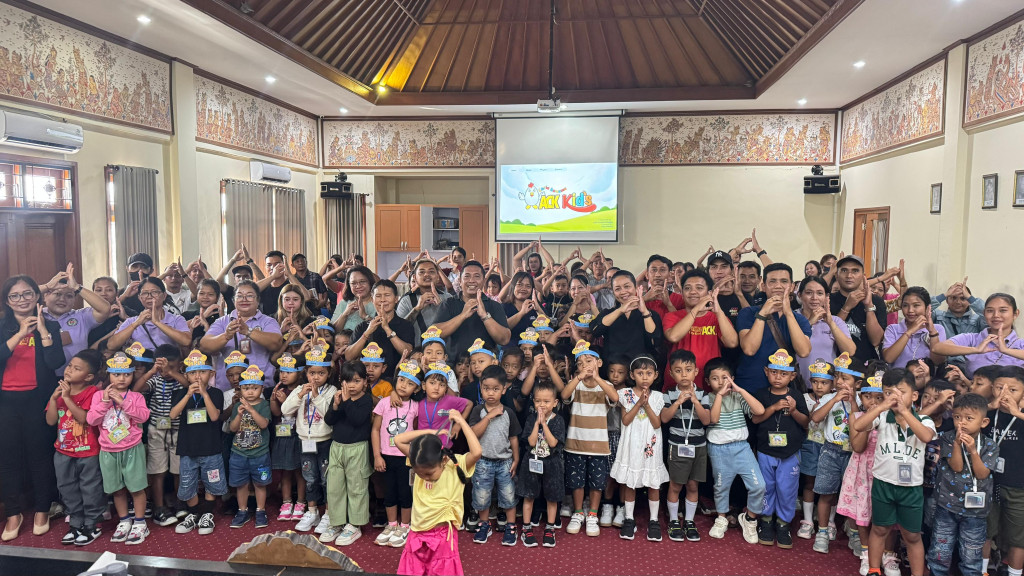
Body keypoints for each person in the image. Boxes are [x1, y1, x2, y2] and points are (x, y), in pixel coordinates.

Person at [853, 369, 936, 576]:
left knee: (912, 536)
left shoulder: (924, 420)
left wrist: (905, 412)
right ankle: (874, 569)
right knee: (879, 529)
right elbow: (859, 425)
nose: (895, 397)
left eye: (901, 392)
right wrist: (881, 406)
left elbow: (926, 437)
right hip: (883, 483)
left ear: (914, 395)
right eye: (889, 392)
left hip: (911, 488)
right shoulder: (882, 417)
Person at [0, 275, 64, 541]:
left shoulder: (50, 326)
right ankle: (13, 514)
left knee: (40, 457)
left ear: (37, 296)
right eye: (15, 296)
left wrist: (42, 331)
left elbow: (55, 362)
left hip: (38, 401)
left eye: (27, 294)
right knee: (8, 459)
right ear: (7, 301)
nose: (22, 300)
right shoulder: (3, 327)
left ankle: (42, 509)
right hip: (6, 402)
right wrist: (20, 334)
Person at [394, 410, 481, 576]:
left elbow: (476, 452)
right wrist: (430, 433)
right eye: (419, 474)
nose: (424, 477)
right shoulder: (420, 460)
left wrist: (461, 421)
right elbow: (398, 439)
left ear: (444, 460)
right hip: (417, 532)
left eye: (429, 474)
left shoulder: (456, 465)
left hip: (443, 536)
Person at [926, 393, 998, 576]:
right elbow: (957, 467)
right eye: (957, 417)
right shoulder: (948, 438)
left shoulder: (990, 445)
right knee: (940, 550)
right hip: (946, 505)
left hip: (976, 511)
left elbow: (982, 474)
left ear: (983, 422)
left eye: (969, 418)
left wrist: (973, 451)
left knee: (971, 554)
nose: (962, 422)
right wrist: (957, 445)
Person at [87, 352, 151, 545]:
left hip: (132, 448)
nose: (121, 379)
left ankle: (140, 523)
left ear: (132, 375)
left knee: (137, 488)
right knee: (117, 489)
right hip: (108, 450)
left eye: (126, 374)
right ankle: (124, 521)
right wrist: (105, 402)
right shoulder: (99, 395)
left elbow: (143, 417)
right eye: (116, 374)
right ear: (109, 374)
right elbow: (92, 420)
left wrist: (123, 403)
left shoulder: (136, 396)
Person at [703, 357, 766, 543]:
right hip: (718, 449)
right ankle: (721, 518)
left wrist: (740, 390)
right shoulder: (707, 398)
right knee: (721, 486)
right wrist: (720, 396)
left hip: (742, 447)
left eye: (725, 377)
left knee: (758, 485)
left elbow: (760, 411)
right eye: (715, 378)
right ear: (707, 381)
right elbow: (713, 419)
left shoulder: (738, 397)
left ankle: (750, 519)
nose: (720, 382)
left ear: (732, 378)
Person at [45, 349, 104, 546]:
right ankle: (76, 523)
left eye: (77, 368)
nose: (69, 370)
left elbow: (84, 419)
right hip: (63, 450)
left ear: (88, 377)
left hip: (88, 451)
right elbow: (51, 421)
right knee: (66, 487)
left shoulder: (92, 393)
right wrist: (54, 399)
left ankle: (92, 524)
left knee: (90, 487)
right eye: (70, 365)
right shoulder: (59, 392)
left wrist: (68, 398)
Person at [751, 349, 809, 549]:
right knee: (766, 487)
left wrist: (793, 411)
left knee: (787, 488)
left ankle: (783, 523)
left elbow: (806, 423)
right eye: (774, 372)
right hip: (766, 451)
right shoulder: (761, 394)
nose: (778, 377)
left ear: (792, 376)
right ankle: (766, 520)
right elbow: (755, 419)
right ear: (766, 371)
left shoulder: (797, 396)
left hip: (790, 453)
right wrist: (773, 408)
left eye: (783, 374)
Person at [610, 355, 670, 542]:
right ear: (632, 375)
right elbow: (626, 421)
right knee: (630, 483)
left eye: (648, 373)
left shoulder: (658, 396)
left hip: (650, 445)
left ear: (656, 375)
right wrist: (638, 403)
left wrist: (647, 405)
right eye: (640, 373)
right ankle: (629, 518)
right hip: (631, 444)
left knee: (653, 483)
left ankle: (654, 520)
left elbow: (657, 423)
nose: (644, 377)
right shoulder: (625, 394)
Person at [561, 340, 617, 538]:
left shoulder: (606, 385)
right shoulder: (576, 385)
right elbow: (564, 395)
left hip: (598, 446)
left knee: (597, 482)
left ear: (599, 363)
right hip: (575, 444)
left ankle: (592, 514)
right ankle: (578, 513)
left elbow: (615, 398)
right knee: (576, 481)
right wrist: (578, 377)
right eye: (580, 363)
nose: (585, 365)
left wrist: (597, 378)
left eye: (589, 360)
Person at [809, 353, 863, 552]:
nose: (839, 382)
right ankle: (822, 532)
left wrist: (853, 402)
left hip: (854, 454)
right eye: (837, 377)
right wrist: (834, 400)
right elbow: (816, 418)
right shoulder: (828, 397)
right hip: (830, 451)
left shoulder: (863, 400)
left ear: (858, 383)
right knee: (826, 494)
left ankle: (854, 534)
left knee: (853, 496)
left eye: (844, 378)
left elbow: (861, 422)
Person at [280, 345, 337, 532]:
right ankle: (312, 512)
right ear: (306, 373)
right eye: (312, 373)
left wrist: (315, 396)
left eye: (321, 373)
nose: (316, 377)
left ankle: (328, 514)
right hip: (305, 441)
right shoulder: (299, 389)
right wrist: (300, 395)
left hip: (325, 441)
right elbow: (285, 410)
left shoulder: (331, 391)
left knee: (326, 479)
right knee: (310, 478)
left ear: (328, 373)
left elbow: (329, 415)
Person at [171, 350, 227, 536]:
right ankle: (193, 514)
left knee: (212, 482)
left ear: (211, 373)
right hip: (188, 448)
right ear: (186, 375)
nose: (197, 376)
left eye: (202, 372)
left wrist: (204, 394)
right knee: (188, 483)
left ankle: (207, 515)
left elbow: (214, 416)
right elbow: (173, 414)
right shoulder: (180, 393)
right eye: (193, 372)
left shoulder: (216, 393)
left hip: (211, 448)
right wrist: (188, 395)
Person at [467, 364, 522, 546]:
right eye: (486, 388)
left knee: (508, 495)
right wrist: (489, 417)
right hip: (482, 461)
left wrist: (516, 459)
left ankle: (511, 526)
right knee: (482, 496)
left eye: (496, 389)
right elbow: (474, 433)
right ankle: (484, 524)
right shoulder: (478, 411)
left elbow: (513, 438)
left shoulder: (508, 412)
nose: (490, 393)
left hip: (505, 461)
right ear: (481, 388)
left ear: (504, 389)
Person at [322, 359, 374, 546]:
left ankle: (354, 524)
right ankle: (336, 522)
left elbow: (357, 420)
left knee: (356, 487)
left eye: (357, 381)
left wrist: (345, 402)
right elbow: (329, 420)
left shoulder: (366, 400)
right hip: (337, 447)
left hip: (357, 448)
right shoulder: (338, 397)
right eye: (348, 381)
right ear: (341, 381)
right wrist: (336, 405)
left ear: (365, 382)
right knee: (334, 487)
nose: (352, 385)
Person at [836, 375, 886, 573]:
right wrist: (870, 419)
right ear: (860, 398)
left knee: (883, 515)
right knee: (863, 513)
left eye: (879, 397)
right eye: (867, 397)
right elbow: (858, 447)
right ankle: (866, 553)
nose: (873, 401)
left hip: (883, 471)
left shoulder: (890, 418)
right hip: (862, 472)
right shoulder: (856, 417)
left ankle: (886, 554)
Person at [660, 349, 711, 542]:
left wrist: (696, 401)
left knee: (692, 484)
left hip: (699, 447)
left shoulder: (704, 395)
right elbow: (664, 418)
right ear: (671, 374)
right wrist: (678, 402)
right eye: (678, 370)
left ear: (696, 372)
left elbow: (706, 420)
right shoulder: (669, 394)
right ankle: (674, 521)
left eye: (688, 370)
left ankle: (689, 521)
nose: (684, 374)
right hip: (677, 445)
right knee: (675, 484)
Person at [736, 263, 812, 392]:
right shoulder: (748, 313)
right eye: (772, 281)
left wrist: (788, 313)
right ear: (763, 286)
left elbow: (804, 351)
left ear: (792, 286)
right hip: (749, 388)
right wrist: (762, 314)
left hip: (782, 392)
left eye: (784, 281)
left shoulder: (800, 320)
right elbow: (749, 349)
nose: (778, 286)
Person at [135, 344, 187, 527]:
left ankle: (180, 502)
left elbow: (188, 385)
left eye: (171, 367)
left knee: (178, 470)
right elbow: (136, 389)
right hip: (157, 430)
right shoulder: (155, 380)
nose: (166, 372)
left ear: (180, 364)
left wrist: (172, 372)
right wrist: (152, 371)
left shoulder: (181, 378)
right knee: (157, 470)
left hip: (179, 429)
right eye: (162, 368)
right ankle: (159, 507)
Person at [662, 269, 738, 391]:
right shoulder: (672, 316)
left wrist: (718, 312)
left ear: (709, 292)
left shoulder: (716, 317)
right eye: (687, 288)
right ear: (682, 293)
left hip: (710, 385)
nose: (693, 292)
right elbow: (673, 336)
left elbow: (732, 343)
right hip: (677, 386)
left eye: (699, 288)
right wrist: (697, 308)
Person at [372, 360, 421, 547]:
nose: (403, 385)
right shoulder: (384, 403)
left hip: (406, 458)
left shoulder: (415, 406)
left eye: (410, 383)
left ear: (417, 389)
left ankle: (405, 526)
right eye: (401, 380)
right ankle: (392, 525)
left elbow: (416, 431)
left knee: (405, 492)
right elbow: (375, 429)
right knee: (389, 491)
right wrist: (377, 455)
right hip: (386, 455)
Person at [200, 280, 282, 391]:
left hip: (261, 387)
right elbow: (204, 346)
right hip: (227, 389)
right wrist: (226, 336)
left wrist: (249, 331)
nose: (244, 299)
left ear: (258, 300)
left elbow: (276, 343)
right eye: (239, 296)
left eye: (249, 296)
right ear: (233, 300)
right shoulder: (222, 322)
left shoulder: (268, 321)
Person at [982, 366, 1024, 576]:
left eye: (1013, 390)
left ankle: (1014, 573)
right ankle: (981, 571)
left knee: (1018, 538)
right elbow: (962, 417)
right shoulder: (986, 413)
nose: (1005, 394)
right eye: (1000, 387)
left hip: (1018, 487)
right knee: (984, 531)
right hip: (987, 483)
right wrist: (989, 406)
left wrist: (1018, 413)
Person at [516, 379, 566, 548]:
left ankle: (550, 528)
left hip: (552, 464)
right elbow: (531, 442)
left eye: (546, 401)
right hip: (531, 462)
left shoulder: (558, 420)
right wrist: (537, 424)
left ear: (555, 403)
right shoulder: (531, 419)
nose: (542, 405)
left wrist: (544, 424)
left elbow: (553, 443)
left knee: (552, 497)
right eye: (538, 401)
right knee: (528, 495)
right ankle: (526, 528)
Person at [40, 263, 111, 373]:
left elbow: (105, 309)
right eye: (57, 294)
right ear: (45, 296)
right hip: (43, 376)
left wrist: (77, 287)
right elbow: (22, 296)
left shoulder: (81, 316)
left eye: (69, 296)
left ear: (74, 300)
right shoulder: (37, 315)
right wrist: (47, 286)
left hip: (77, 377)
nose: (62, 299)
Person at [931, 293, 1024, 377]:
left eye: (1003, 310)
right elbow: (937, 348)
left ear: (1015, 314)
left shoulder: (1021, 344)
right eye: (990, 311)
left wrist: (1006, 350)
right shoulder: (972, 338)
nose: (996, 315)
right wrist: (975, 350)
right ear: (984, 314)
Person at [227, 365, 274, 530]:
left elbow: (264, 424)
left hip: (259, 453)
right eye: (246, 388)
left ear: (262, 388)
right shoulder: (237, 406)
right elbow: (232, 428)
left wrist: (251, 410)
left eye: (255, 388)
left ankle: (260, 510)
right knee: (241, 484)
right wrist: (239, 414)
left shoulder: (264, 405)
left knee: (260, 484)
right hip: (239, 452)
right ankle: (242, 511)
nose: (250, 392)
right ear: (240, 389)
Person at [434, 261, 511, 354]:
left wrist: (485, 316)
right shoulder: (448, 304)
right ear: (460, 281)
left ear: (484, 281)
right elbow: (435, 333)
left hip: (485, 361)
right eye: (467, 276)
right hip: (454, 362)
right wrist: (462, 316)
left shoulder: (494, 305)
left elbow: (504, 340)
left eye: (477, 276)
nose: (471, 280)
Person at [795, 276, 856, 384]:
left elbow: (850, 351)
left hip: (828, 385)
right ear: (800, 295)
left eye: (820, 293)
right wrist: (809, 323)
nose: (814, 298)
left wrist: (830, 323)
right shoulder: (792, 318)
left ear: (826, 296)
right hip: (798, 383)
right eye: (809, 293)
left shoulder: (835, 321)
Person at [592, 271, 663, 361]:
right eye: (617, 289)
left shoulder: (650, 314)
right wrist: (620, 310)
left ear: (635, 287)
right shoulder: (607, 313)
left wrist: (645, 312)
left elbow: (655, 341)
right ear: (613, 292)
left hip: (640, 367)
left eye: (627, 286)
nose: (623, 292)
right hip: (614, 368)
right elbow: (595, 331)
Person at [107, 277, 191, 352]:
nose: (149, 296)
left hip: (167, 363)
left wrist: (157, 323)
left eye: (154, 292)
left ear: (164, 296)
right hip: (141, 364)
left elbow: (186, 341)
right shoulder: (132, 321)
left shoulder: (176, 319)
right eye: (144, 293)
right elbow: (111, 345)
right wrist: (136, 324)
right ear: (140, 298)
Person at [830, 255, 887, 362]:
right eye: (844, 270)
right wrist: (846, 307)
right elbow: (828, 334)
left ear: (863, 276)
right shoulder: (828, 300)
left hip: (867, 364)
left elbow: (876, 341)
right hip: (834, 364)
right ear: (836, 275)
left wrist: (869, 306)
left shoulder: (876, 301)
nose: (849, 275)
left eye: (855, 271)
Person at [346, 280, 414, 369]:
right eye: (378, 296)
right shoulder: (363, 326)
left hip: (396, 375)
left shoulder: (406, 325)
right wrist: (367, 333)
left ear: (396, 299)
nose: (382, 300)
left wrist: (387, 329)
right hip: (367, 376)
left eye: (387, 295)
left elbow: (408, 352)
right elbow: (349, 357)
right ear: (372, 300)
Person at [270, 353, 305, 522]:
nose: (284, 375)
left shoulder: (303, 390)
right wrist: (273, 400)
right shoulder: (280, 389)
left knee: (300, 471)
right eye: (282, 371)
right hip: (283, 435)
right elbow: (277, 413)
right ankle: (286, 502)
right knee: (285, 471)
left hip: (298, 435)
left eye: (289, 372)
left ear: (300, 372)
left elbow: (298, 413)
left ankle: (300, 502)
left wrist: (286, 402)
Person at [882, 286, 947, 367]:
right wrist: (909, 331)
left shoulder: (937, 329)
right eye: (905, 305)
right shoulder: (893, 329)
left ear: (927, 307)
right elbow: (888, 358)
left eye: (916, 305)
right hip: (898, 375)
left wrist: (932, 333)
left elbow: (938, 361)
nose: (910, 310)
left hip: (926, 375)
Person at [397, 260, 453, 346]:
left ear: (438, 277)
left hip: (444, 351)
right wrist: (417, 309)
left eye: (431, 271)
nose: (427, 274)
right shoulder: (406, 300)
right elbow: (400, 329)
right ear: (415, 277)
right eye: (422, 272)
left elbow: (456, 325)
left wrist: (442, 307)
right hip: (416, 351)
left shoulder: (448, 298)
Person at [257, 250, 311, 317]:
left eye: (277, 264)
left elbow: (306, 297)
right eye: (269, 265)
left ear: (284, 265)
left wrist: (289, 274)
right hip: (268, 322)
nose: (273, 268)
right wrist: (273, 276)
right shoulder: (264, 286)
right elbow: (251, 289)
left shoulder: (292, 284)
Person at [331, 266, 376, 332]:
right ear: (349, 285)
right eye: (353, 283)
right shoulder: (344, 303)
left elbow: (382, 330)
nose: (358, 286)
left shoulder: (378, 303)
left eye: (362, 281)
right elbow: (332, 332)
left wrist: (365, 316)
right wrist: (345, 315)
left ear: (370, 282)